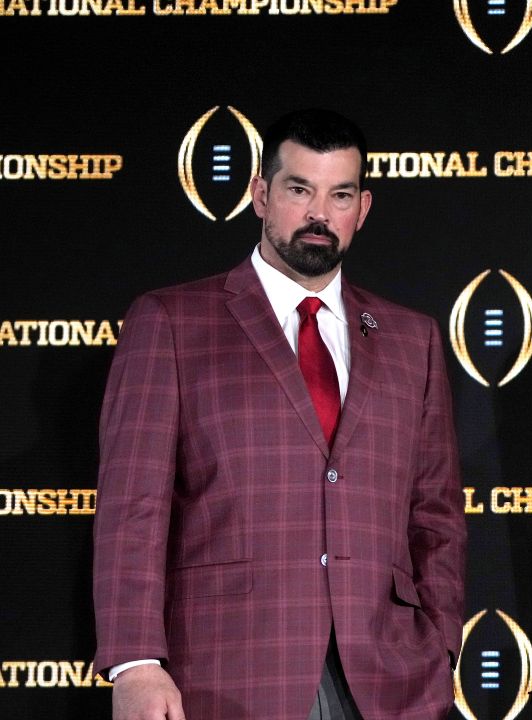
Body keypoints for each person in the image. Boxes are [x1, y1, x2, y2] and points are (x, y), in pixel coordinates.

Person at [93, 108, 466, 720]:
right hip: (229, 672)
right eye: (300, 189)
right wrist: (135, 663)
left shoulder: (413, 339)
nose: (320, 213)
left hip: (391, 681)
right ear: (262, 196)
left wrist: (441, 644)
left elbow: (436, 514)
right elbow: (133, 507)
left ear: (362, 208)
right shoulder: (172, 322)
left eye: (339, 194)